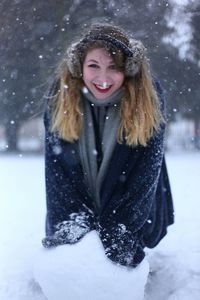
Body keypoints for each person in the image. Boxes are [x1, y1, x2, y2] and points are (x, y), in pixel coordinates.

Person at [42, 23, 174, 268]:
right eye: (93, 66)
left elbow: (144, 176)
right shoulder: (59, 97)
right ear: (79, 66)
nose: (102, 78)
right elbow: (57, 174)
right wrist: (70, 224)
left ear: (128, 69)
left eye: (114, 67)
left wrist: (120, 229)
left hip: (136, 204)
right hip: (81, 197)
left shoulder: (148, 98)